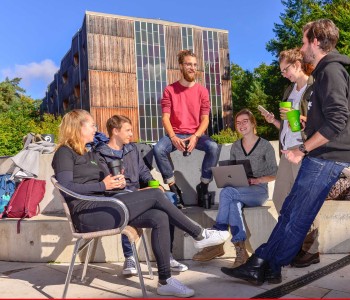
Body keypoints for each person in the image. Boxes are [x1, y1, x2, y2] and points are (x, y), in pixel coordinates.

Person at [221, 18, 350, 286]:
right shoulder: (325, 73)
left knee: (297, 216)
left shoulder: (331, 71)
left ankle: (262, 262)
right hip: (320, 157)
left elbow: (338, 118)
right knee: (292, 212)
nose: (302, 47)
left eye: (305, 41)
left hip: (326, 158)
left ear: (316, 42)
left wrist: (303, 147)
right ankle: (268, 266)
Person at [52, 109, 230, 297]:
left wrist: (113, 183)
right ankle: (199, 235)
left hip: (104, 206)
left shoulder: (88, 153)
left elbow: (99, 185)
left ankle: (165, 280)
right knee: (155, 194)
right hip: (87, 215)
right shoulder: (64, 152)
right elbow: (66, 187)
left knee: (158, 216)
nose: (96, 128)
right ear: (78, 126)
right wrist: (102, 184)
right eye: (92, 125)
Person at [94, 115, 189, 275]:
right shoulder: (100, 154)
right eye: (128, 130)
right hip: (117, 197)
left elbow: (143, 172)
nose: (131, 134)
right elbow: (105, 186)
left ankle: (167, 255)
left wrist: (154, 184)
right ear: (115, 131)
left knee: (170, 198)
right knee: (129, 202)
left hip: (139, 193)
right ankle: (130, 256)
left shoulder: (132, 150)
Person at [192, 109, 277, 268]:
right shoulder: (236, 146)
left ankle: (218, 237)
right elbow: (233, 170)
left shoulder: (265, 145)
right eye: (238, 123)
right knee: (233, 203)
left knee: (227, 193)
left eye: (245, 121)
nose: (241, 125)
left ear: (253, 123)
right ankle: (241, 251)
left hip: (259, 191)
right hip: (239, 190)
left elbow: (275, 174)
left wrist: (257, 180)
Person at [262, 48, 319, 268]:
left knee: (305, 201)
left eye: (286, 69)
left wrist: (303, 117)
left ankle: (310, 249)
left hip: (303, 149)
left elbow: (319, 121)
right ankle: (294, 241)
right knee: (280, 198)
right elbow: (288, 125)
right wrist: (273, 121)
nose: (284, 74)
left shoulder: (314, 87)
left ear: (297, 64)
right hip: (286, 150)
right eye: (282, 71)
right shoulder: (289, 90)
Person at [153, 49, 219, 208]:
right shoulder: (170, 90)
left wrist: (196, 136)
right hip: (175, 134)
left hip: (196, 134)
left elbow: (205, 119)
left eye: (195, 65)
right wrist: (173, 137)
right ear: (181, 66)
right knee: (158, 149)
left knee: (213, 147)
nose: (192, 68)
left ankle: (203, 186)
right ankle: (173, 188)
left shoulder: (202, 91)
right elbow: (165, 118)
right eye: (188, 64)